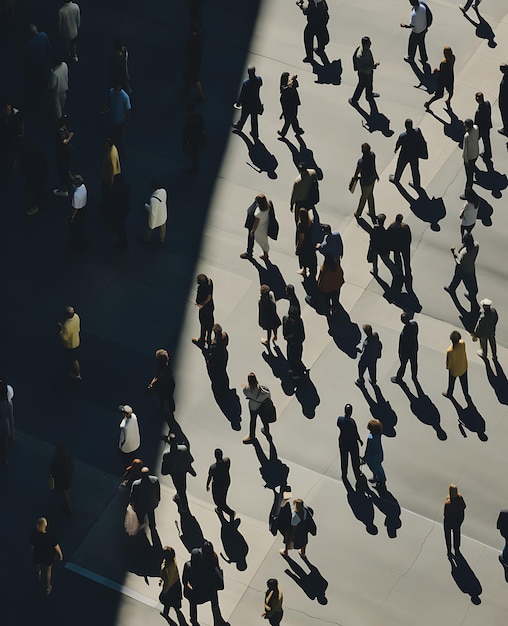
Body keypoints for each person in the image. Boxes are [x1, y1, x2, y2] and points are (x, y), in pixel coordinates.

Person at [30, 517, 63, 595]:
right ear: (45, 525)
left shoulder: (34, 533)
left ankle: (38, 575)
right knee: (48, 570)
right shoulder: (50, 535)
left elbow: (32, 546)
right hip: (48, 556)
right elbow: (56, 546)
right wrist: (60, 555)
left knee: (37, 565)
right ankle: (47, 587)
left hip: (37, 554)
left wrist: (33, 553)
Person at [162, 436, 196, 513]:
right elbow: (189, 460)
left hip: (174, 473)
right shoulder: (183, 448)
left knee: (179, 487)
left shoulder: (166, 453)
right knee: (183, 486)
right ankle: (180, 497)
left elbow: (164, 467)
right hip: (182, 472)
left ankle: (183, 506)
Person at [389, 119, 426, 190]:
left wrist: (396, 149)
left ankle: (396, 179)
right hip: (414, 155)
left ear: (405, 126)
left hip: (404, 156)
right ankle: (417, 184)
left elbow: (398, 144)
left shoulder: (402, 136)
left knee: (399, 168)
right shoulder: (417, 132)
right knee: (415, 170)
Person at [444, 232, 479, 303]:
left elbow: (458, 260)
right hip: (471, 268)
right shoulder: (476, 245)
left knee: (462, 281)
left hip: (464, 270)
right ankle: (452, 288)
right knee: (472, 283)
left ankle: (453, 289)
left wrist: (453, 251)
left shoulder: (464, 254)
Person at [233, 66, 263, 140]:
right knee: (254, 119)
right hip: (256, 102)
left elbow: (242, 94)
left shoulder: (246, 83)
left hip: (247, 103)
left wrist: (238, 103)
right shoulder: (259, 79)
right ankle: (255, 133)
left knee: (243, 116)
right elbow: (261, 84)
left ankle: (239, 127)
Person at [349, 36, 379, 110]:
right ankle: (354, 100)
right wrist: (372, 66)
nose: (371, 43)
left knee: (370, 83)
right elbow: (361, 67)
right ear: (365, 44)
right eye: (369, 42)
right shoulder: (360, 55)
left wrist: (373, 65)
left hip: (369, 72)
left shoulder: (367, 49)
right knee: (361, 86)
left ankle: (369, 95)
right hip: (363, 74)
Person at [242, 372, 272, 444]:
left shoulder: (246, 390)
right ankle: (266, 431)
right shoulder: (265, 391)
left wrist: (244, 386)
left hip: (253, 407)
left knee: (253, 421)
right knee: (264, 420)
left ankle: (252, 435)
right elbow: (269, 398)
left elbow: (245, 390)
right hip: (262, 407)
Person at [296, 0, 330, 64]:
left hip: (313, 23)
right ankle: (320, 49)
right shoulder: (320, 1)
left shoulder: (314, 3)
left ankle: (309, 57)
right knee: (321, 37)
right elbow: (326, 8)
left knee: (308, 38)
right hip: (322, 22)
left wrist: (301, 6)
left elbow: (307, 11)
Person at [130, 466, 161, 534]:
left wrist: (131, 503)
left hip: (140, 505)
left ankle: (141, 527)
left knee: (140, 517)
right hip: (151, 504)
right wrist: (158, 499)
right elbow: (158, 491)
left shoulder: (136, 484)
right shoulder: (155, 480)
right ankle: (152, 527)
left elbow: (132, 495)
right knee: (151, 515)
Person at [351, 143, 379, 221]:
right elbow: (374, 166)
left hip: (365, 181)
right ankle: (372, 212)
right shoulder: (373, 155)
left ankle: (358, 213)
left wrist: (354, 179)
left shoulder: (361, 162)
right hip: (372, 178)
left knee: (363, 197)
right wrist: (376, 174)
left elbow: (356, 173)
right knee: (370, 195)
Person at [147, 349, 176, 421]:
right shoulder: (167, 366)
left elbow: (157, 377)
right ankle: (171, 410)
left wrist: (151, 384)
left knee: (162, 396)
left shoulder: (160, 368)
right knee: (169, 398)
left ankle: (161, 406)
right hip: (170, 384)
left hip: (163, 386)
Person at [207, 448, 235, 520]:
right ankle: (219, 509)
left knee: (218, 501)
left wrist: (207, 485)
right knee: (223, 497)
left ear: (215, 456)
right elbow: (227, 459)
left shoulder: (213, 467)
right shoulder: (227, 461)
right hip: (226, 482)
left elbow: (210, 477)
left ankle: (231, 513)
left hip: (217, 485)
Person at [337, 404, 363, 482]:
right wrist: (359, 440)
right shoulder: (352, 422)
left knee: (344, 459)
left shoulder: (340, 419)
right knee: (355, 459)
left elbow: (338, 425)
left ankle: (344, 473)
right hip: (352, 443)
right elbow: (355, 432)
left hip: (343, 441)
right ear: (351, 412)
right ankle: (357, 472)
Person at [391, 312, 419, 384]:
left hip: (406, 353)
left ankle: (399, 378)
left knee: (403, 365)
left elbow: (401, 346)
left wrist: (400, 354)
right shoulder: (415, 325)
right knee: (414, 363)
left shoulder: (403, 334)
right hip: (414, 349)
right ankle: (414, 376)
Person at [424, 46, 455, 111]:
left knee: (439, 95)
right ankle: (448, 100)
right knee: (451, 91)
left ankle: (428, 104)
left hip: (442, 79)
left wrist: (437, 70)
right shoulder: (453, 57)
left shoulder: (443, 63)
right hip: (450, 78)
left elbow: (442, 72)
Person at [442, 330, 470, 401]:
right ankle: (466, 394)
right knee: (464, 384)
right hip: (463, 367)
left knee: (451, 384)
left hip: (454, 371)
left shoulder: (450, 351)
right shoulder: (463, 343)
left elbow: (449, 364)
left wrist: (448, 367)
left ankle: (449, 393)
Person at [158, 546, 184, 622]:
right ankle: (177, 610)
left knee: (167, 603)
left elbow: (167, 582)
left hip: (170, 588)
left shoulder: (165, 568)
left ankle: (166, 614)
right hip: (176, 583)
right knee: (176, 601)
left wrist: (164, 592)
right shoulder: (173, 561)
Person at [387, 214, 412, 286]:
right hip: (405, 247)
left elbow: (388, 235)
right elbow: (409, 237)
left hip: (396, 247)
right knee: (406, 261)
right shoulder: (406, 227)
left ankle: (399, 273)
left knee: (397, 260)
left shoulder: (392, 227)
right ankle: (408, 274)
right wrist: (407, 245)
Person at [282, 305, 306, 378]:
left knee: (297, 358)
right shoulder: (286, 320)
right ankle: (295, 370)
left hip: (297, 344)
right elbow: (285, 336)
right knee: (291, 359)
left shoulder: (299, 322)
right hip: (291, 344)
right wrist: (292, 336)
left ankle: (297, 373)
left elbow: (302, 336)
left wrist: (295, 339)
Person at [53, 115, 74, 197]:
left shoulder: (62, 131)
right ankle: (69, 185)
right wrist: (70, 136)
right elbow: (64, 141)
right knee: (64, 171)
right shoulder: (61, 132)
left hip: (64, 155)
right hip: (64, 155)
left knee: (63, 171)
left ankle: (65, 189)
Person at [49, 443, 73, 515]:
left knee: (63, 493)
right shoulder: (68, 459)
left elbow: (53, 469)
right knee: (63, 493)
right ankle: (67, 508)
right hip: (66, 479)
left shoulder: (57, 459)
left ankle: (67, 510)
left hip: (61, 480)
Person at [183, 22, 204, 102]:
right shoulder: (199, 37)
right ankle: (187, 88)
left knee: (195, 80)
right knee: (188, 76)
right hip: (194, 62)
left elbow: (191, 52)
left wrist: (188, 63)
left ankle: (201, 96)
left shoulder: (193, 40)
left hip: (193, 63)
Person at [206, 324, 230, 393]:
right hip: (224, 356)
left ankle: (221, 388)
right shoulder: (225, 335)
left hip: (218, 360)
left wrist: (209, 363)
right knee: (223, 371)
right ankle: (226, 386)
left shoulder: (214, 344)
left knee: (219, 373)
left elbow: (212, 356)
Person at [182, 102, 206, 175]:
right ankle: (195, 169)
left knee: (194, 154)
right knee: (196, 154)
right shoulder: (199, 116)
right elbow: (202, 128)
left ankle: (194, 170)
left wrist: (185, 145)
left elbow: (186, 136)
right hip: (198, 138)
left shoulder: (188, 123)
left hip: (193, 140)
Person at [443, 484, 466, 558]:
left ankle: (449, 551)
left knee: (448, 535)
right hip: (457, 521)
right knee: (456, 534)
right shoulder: (460, 498)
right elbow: (464, 507)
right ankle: (456, 549)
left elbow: (445, 514)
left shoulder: (448, 503)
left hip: (448, 522)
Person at [58, 305, 81, 380]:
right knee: (74, 359)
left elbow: (64, 338)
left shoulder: (66, 325)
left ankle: (77, 375)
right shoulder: (76, 317)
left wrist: (61, 329)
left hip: (70, 345)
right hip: (76, 340)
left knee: (74, 360)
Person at [278, 72, 303, 138]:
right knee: (291, 119)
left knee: (291, 118)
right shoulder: (284, 86)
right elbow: (285, 89)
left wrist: (294, 80)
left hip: (293, 104)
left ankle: (294, 131)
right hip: (289, 105)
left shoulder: (290, 83)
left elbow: (296, 85)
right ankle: (295, 131)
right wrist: (291, 83)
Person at [362, 419, 386, 489]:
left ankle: (381, 480)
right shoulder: (379, 434)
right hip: (379, 453)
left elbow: (368, 449)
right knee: (377, 467)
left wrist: (365, 457)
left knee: (375, 468)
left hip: (373, 456)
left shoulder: (370, 437)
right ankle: (376, 478)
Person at [192, 274, 214, 347]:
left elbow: (198, 301)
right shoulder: (210, 282)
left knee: (203, 325)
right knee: (210, 322)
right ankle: (209, 339)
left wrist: (201, 305)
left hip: (204, 310)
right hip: (210, 307)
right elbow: (209, 296)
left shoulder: (201, 289)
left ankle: (202, 341)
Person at [109, 173, 130, 248]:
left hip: (118, 211)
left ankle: (122, 243)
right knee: (121, 226)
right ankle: (122, 242)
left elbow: (112, 200)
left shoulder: (115, 188)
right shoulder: (126, 187)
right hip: (125, 210)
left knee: (120, 227)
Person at [295, 208, 317, 278]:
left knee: (303, 257)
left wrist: (298, 247)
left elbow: (301, 238)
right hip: (310, 242)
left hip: (304, 245)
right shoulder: (310, 222)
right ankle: (311, 270)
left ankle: (304, 270)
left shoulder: (301, 225)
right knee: (310, 257)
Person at [109, 82, 131, 149]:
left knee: (121, 137)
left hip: (121, 121)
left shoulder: (125, 97)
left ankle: (121, 149)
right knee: (113, 135)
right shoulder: (111, 92)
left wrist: (126, 121)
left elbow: (128, 110)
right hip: (113, 118)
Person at [461, 118, 479, 198]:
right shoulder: (476, 128)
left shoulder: (467, 136)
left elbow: (465, 151)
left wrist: (465, 160)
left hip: (470, 157)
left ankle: (468, 192)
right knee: (472, 167)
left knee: (469, 175)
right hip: (476, 153)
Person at [100, 137, 121, 207]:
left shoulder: (112, 155)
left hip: (108, 177)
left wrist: (111, 182)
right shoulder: (113, 148)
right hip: (109, 174)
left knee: (106, 191)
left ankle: (106, 204)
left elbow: (113, 170)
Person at [69, 174, 88, 248]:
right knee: (81, 228)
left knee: (75, 230)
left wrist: (72, 217)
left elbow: (75, 208)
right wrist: (70, 174)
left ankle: (76, 245)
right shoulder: (83, 187)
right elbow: (74, 179)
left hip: (78, 213)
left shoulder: (76, 195)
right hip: (84, 209)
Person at [251, 193, 271, 260]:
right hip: (265, 226)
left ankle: (265, 253)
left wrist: (253, 231)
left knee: (259, 241)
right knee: (265, 240)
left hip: (259, 229)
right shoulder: (268, 206)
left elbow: (256, 223)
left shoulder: (258, 213)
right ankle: (266, 252)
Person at [474, 91, 492, 161]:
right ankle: (488, 153)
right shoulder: (487, 103)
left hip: (482, 129)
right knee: (487, 140)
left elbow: (476, 123)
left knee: (477, 141)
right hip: (487, 125)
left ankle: (486, 154)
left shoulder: (478, 111)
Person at [0, 382, 14, 465]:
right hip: (5, 425)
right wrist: (12, 431)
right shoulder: (9, 404)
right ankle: (5, 460)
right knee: (5, 444)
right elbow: (11, 418)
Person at [498, 64, 508, 136]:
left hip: (504, 102)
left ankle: (506, 129)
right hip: (504, 100)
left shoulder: (506, 80)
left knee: (505, 115)